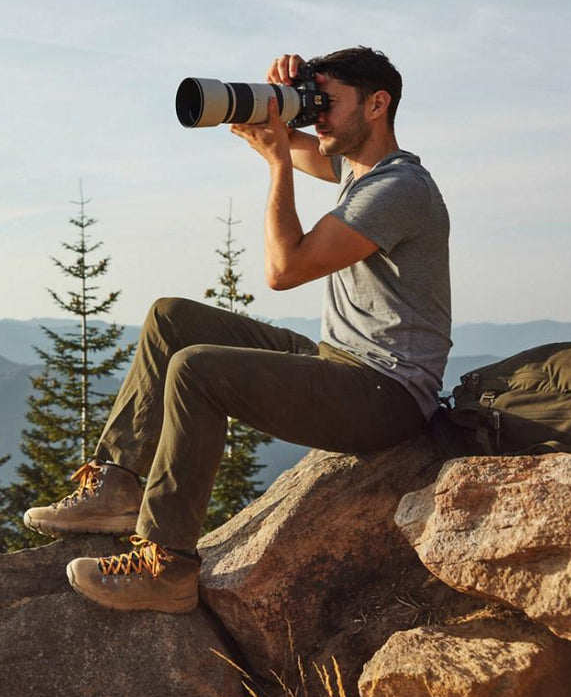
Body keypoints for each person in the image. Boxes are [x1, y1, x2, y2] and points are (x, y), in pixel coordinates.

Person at [23, 47, 452, 613]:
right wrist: (277, 102)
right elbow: (299, 142)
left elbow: (285, 269)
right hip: (341, 360)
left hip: (386, 396)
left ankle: (167, 565)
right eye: (314, 103)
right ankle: (118, 486)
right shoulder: (359, 167)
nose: (317, 115)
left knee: (197, 371)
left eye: (328, 104)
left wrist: (276, 165)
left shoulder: (399, 189)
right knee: (170, 318)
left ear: (378, 104)